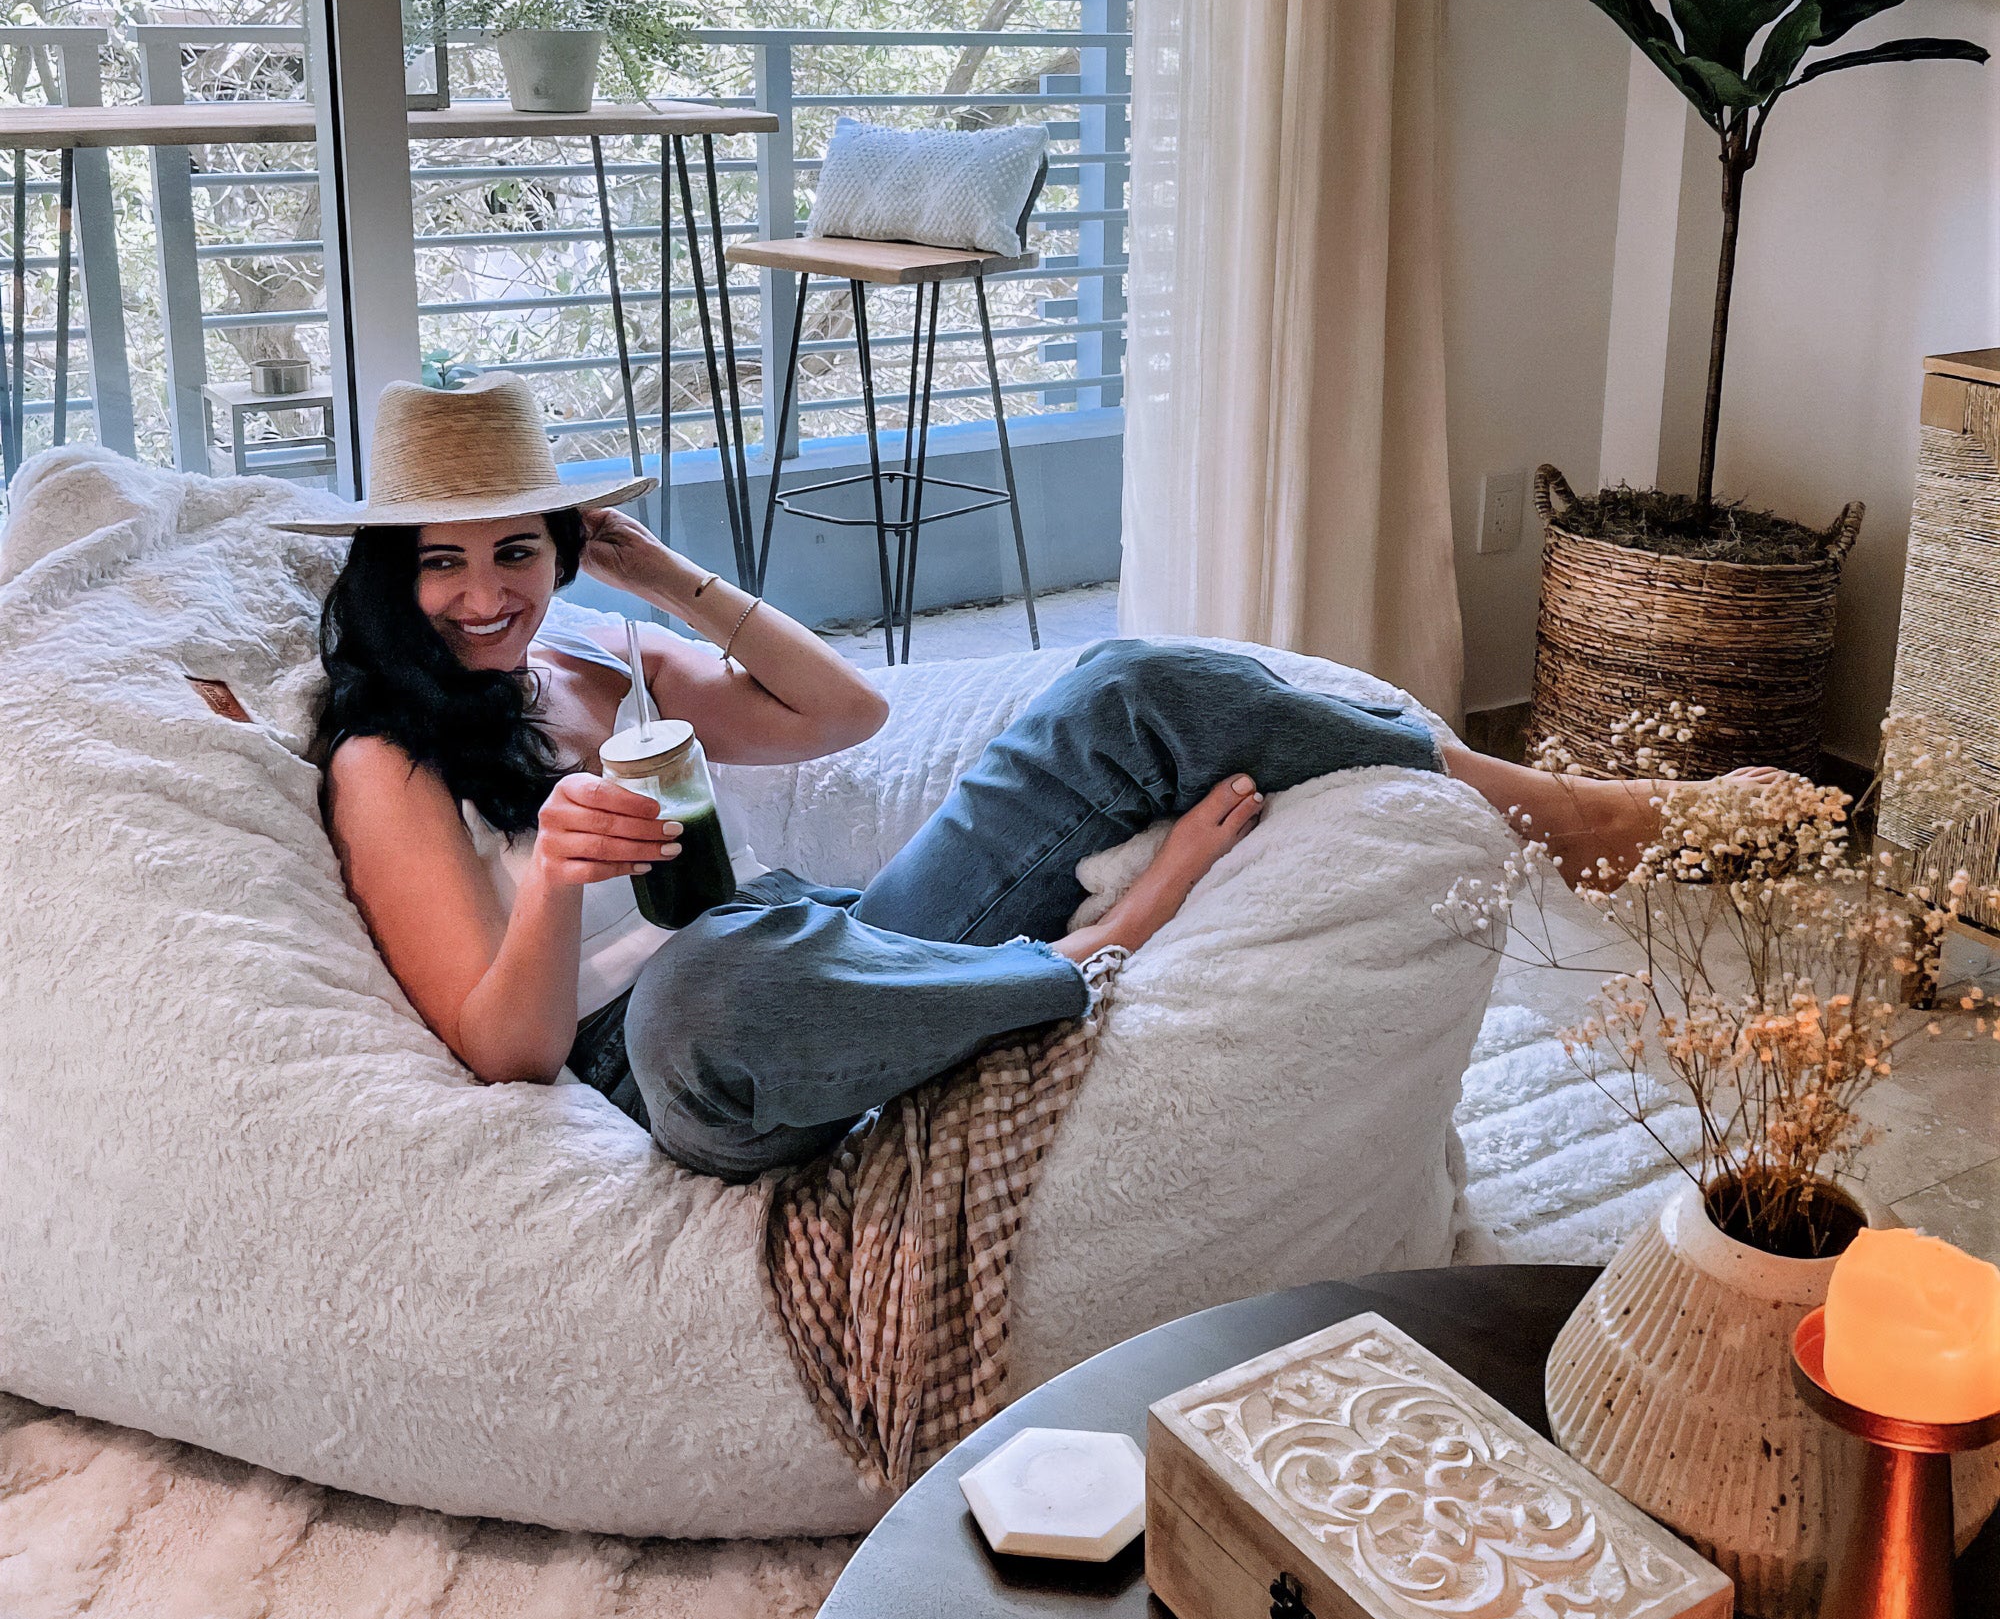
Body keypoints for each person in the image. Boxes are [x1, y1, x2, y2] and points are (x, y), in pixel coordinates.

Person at [302, 375, 1746, 1182]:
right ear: (392, 572)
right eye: (442, 560)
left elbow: (842, 713)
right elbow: (507, 1051)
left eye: (516, 550)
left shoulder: (600, 657)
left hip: (833, 936)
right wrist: (556, 876)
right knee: (708, 988)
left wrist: (665, 575)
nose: (486, 596)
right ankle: (1092, 956)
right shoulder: (388, 757)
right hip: (681, 1048)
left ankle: (1556, 807)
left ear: (563, 548)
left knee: (1130, 684)